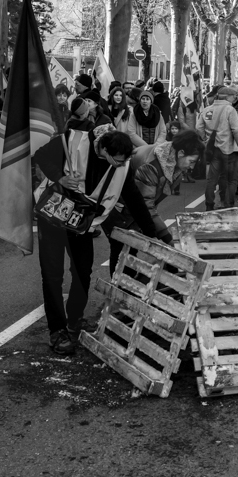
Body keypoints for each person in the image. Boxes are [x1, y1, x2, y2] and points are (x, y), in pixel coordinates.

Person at [34, 128, 172, 355]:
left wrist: (151, 233)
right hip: (54, 215)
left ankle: (74, 322)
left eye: (124, 161)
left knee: (82, 272)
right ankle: (57, 330)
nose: (120, 165)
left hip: (82, 223)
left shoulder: (123, 163)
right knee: (52, 274)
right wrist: (60, 177)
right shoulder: (73, 139)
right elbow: (41, 155)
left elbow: (134, 198)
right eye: (117, 161)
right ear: (104, 150)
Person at [104, 130, 202, 273]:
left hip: (133, 210)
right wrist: (167, 239)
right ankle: (118, 288)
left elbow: (149, 204)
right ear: (180, 153)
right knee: (121, 248)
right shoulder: (151, 166)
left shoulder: (172, 163)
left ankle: (123, 284)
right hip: (117, 206)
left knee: (130, 249)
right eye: (191, 161)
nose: (192, 167)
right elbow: (144, 206)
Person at [197, 86, 238, 210]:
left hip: (213, 149)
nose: (235, 98)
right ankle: (228, 205)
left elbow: (199, 128)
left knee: (212, 179)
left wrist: (205, 139)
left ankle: (209, 205)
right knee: (231, 179)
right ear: (227, 97)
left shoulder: (207, 110)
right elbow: (236, 130)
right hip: (228, 149)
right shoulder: (230, 110)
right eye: (234, 96)